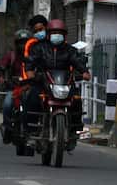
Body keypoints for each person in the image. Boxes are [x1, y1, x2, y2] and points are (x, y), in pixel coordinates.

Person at [23, 19, 90, 149]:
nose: (56, 35)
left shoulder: (69, 50)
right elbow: (30, 60)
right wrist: (30, 71)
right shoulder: (40, 47)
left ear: (64, 35)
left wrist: (84, 71)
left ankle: (74, 131)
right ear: (48, 34)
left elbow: (77, 61)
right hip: (43, 82)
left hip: (64, 83)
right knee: (31, 98)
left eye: (59, 33)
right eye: (54, 32)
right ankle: (31, 132)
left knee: (76, 100)